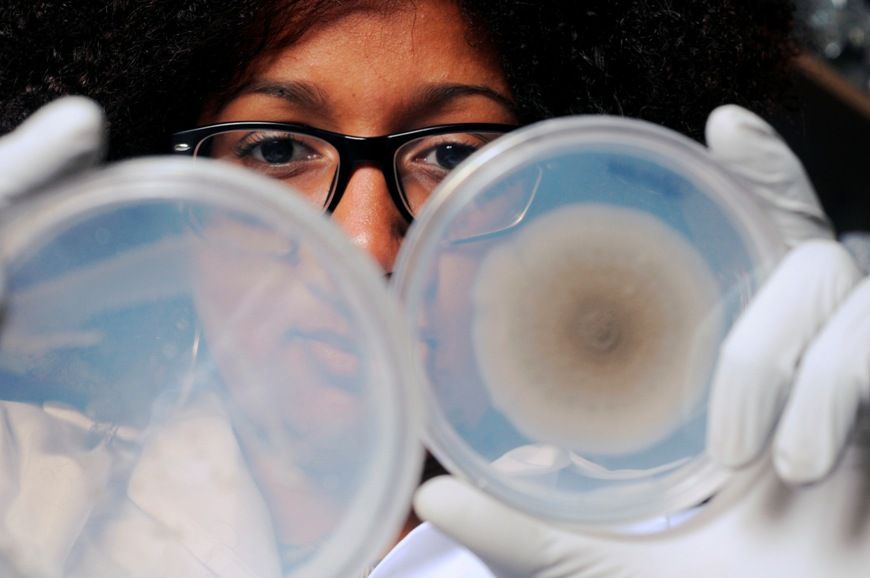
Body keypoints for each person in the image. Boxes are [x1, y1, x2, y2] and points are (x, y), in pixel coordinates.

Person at [0, 0, 867, 576]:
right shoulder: (26, 495)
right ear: (173, 198)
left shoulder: (687, 547)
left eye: (453, 154)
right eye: (275, 150)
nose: (368, 244)